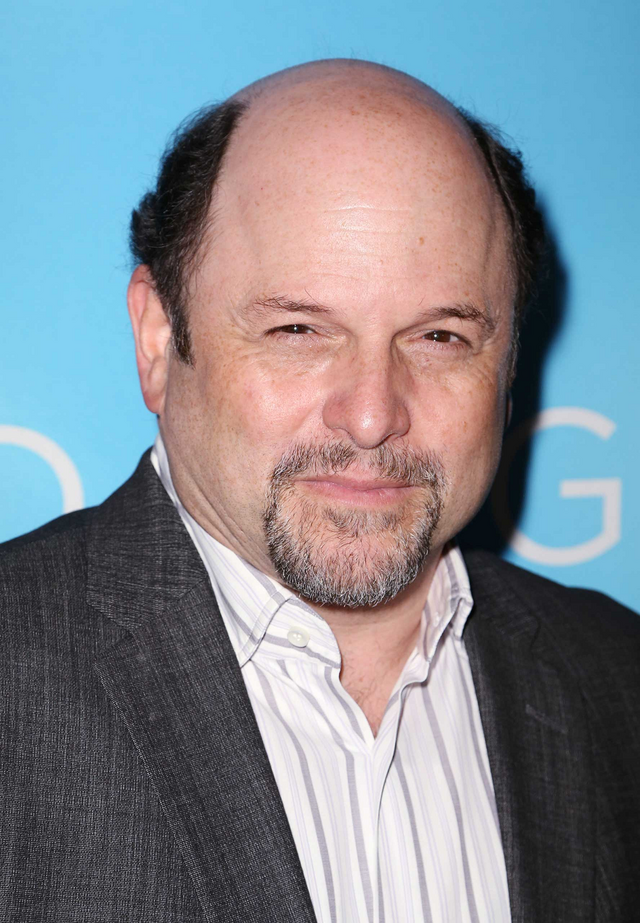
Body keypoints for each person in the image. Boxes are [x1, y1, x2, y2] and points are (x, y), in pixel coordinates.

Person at [1, 59, 638, 923]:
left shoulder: (616, 679)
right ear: (157, 338)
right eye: (298, 329)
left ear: (510, 361)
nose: (372, 415)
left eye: (440, 336)